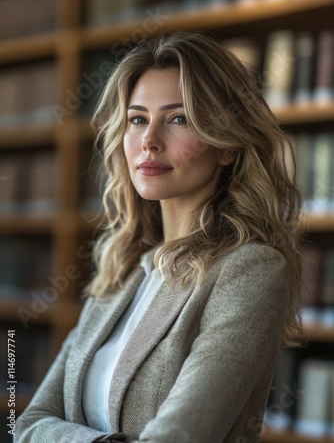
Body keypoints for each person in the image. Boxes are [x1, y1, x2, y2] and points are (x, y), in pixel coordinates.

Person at [15, 31, 304, 443]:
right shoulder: (123, 271)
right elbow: (27, 423)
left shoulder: (250, 270)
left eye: (178, 118)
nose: (149, 141)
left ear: (227, 146)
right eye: (137, 119)